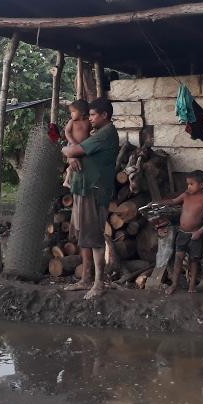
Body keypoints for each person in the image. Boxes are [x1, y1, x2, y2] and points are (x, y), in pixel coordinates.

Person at [61, 97, 119, 300]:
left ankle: (99, 283)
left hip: (94, 191)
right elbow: (76, 151)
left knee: (94, 238)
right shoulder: (97, 133)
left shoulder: (106, 134)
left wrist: (68, 152)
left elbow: (73, 149)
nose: (90, 118)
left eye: (94, 115)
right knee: (84, 236)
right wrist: (71, 155)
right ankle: (86, 279)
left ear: (105, 115)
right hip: (82, 188)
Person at [161, 170, 203, 295]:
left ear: (201, 185)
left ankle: (192, 285)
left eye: (191, 184)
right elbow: (174, 201)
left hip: (195, 235)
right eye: (188, 184)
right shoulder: (185, 195)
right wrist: (159, 202)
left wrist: (199, 232)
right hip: (182, 233)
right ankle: (174, 284)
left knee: (193, 261)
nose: (188, 187)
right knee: (178, 258)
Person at [61, 99, 92, 188]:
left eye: (73, 111)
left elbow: (90, 133)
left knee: (83, 163)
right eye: (71, 112)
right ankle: (66, 181)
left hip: (83, 147)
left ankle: (85, 181)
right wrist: (73, 142)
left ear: (82, 113)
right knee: (75, 161)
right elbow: (67, 132)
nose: (71, 114)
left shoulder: (88, 122)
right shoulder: (72, 122)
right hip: (73, 146)